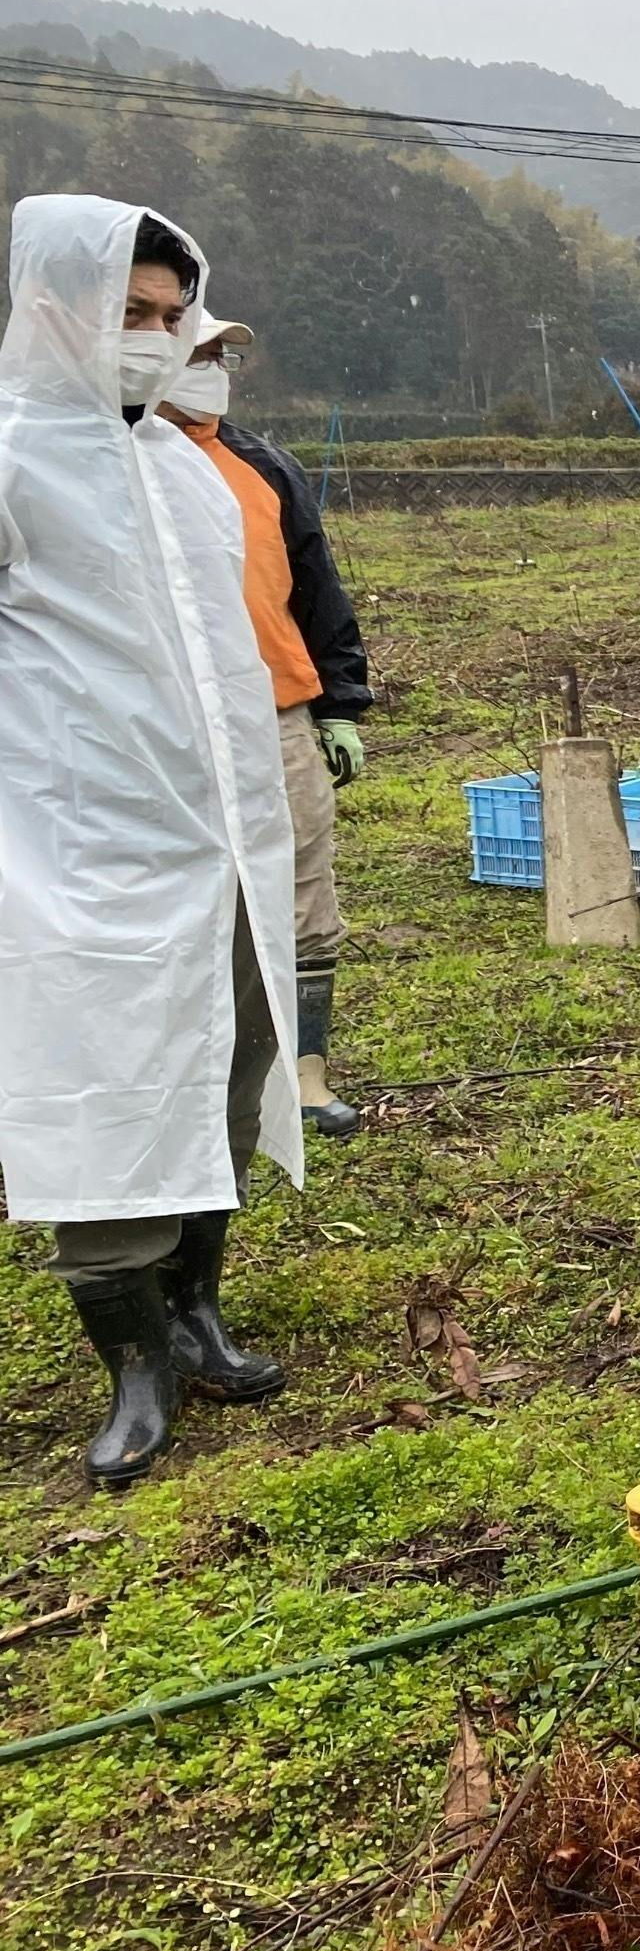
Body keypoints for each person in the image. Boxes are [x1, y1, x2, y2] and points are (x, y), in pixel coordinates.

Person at [0, 198, 303, 1484]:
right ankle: (130, 1364)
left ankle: (196, 1313)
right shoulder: (14, 459)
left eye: (169, 316)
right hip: (84, 841)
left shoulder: (181, 463)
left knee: (225, 1069)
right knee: (108, 1080)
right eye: (130, 315)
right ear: (53, 308)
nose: (154, 337)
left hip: (224, 836)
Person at [155, 309, 374, 1135]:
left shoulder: (261, 466)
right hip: (164, 723)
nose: (211, 368)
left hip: (277, 714)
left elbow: (317, 589)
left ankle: (305, 1076)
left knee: (303, 895)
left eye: (222, 356)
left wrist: (339, 704)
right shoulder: (114, 463)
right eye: (196, 352)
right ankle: (196, 1081)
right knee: (185, 901)